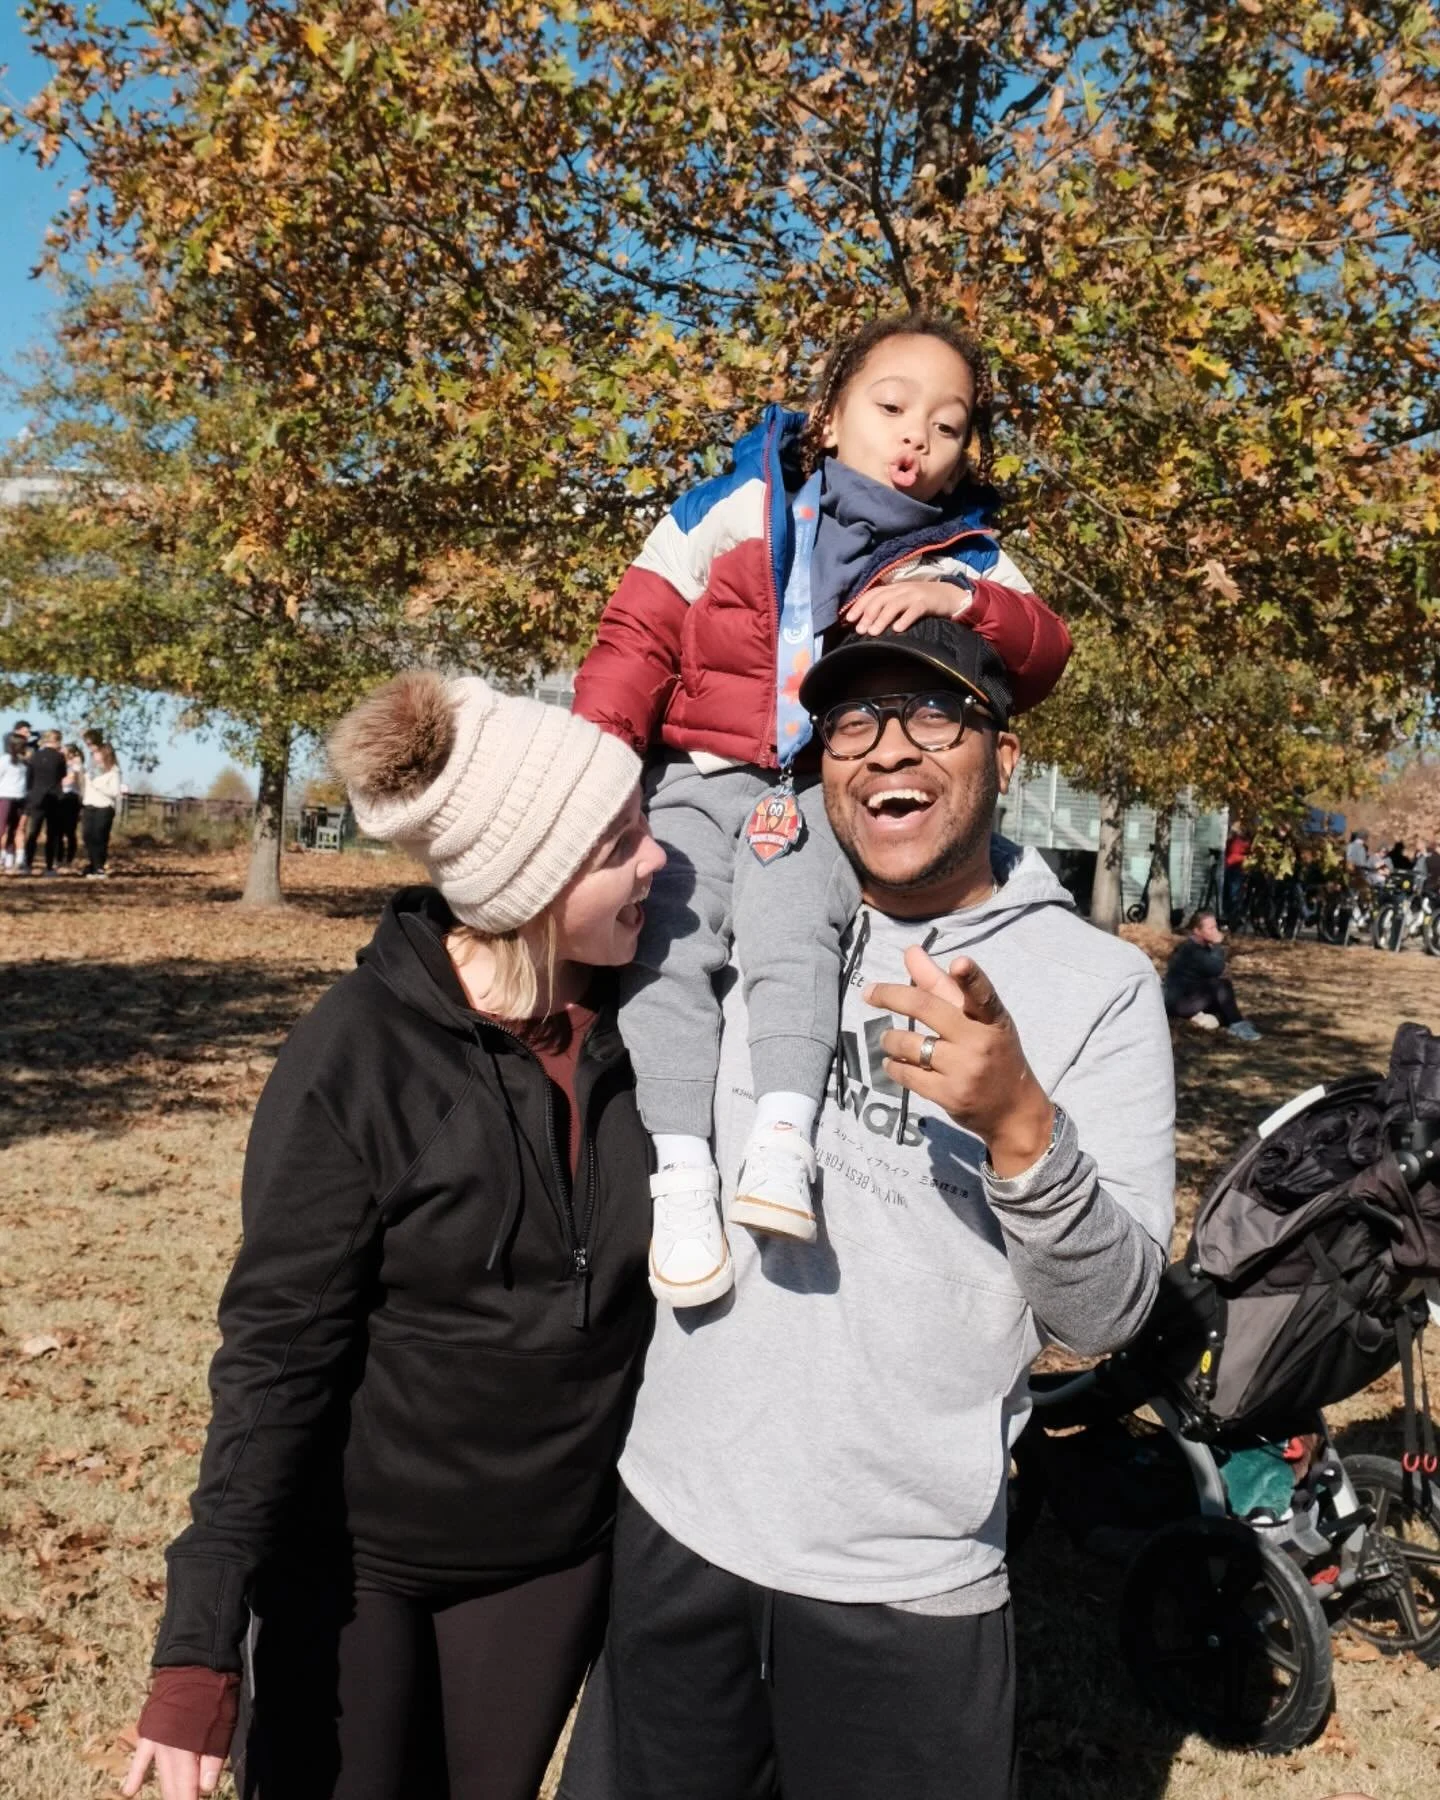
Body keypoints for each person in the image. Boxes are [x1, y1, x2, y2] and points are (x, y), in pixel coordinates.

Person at [559, 616, 1175, 1800]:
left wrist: (1021, 1129)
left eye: (935, 714)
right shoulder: (738, 904)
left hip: (907, 1585)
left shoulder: (1098, 989)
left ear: (1007, 755)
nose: (890, 746)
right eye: (853, 720)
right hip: (680, 1528)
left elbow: (1108, 1314)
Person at [123, 669, 665, 1800]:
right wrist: (200, 1637)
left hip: (551, 1561)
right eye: (620, 846)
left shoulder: (656, 1035)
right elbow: (276, 1348)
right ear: (531, 884)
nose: (656, 860)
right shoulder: (358, 1054)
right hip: (356, 1568)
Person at [575, 312, 1071, 1307]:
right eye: (891, 407)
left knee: (794, 931)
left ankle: (781, 1137)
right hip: (697, 771)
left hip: (814, 785)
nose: (916, 436)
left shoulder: (961, 554)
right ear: (831, 417)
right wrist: (594, 773)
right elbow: (639, 633)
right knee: (668, 941)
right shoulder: (735, 507)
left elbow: (1045, 650)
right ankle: (681, 1169)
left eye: (948, 425)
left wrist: (962, 604)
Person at [1162, 910, 1261, 1042]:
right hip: (1179, 1002)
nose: (1216, 932)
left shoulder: (1197, 947)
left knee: (1222, 999)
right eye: (1211, 928)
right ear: (1197, 931)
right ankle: (1237, 1025)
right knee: (1221, 985)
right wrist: (1217, 945)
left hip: (1191, 995)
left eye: (1216, 927)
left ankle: (1222, 1019)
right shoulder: (1191, 951)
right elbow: (1217, 969)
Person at [20, 728, 66, 876]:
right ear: (56, 741)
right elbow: (62, 775)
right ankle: (49, 867)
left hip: (37, 797)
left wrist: (31, 794)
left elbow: (29, 777)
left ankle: (27, 864)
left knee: (33, 832)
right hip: (54, 797)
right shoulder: (60, 757)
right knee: (52, 834)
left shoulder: (35, 756)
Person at [81, 742, 123, 878]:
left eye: (97, 753)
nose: (94, 756)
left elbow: (115, 792)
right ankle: (92, 864)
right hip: (89, 805)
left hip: (104, 807)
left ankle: (99, 867)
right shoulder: (91, 770)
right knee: (87, 836)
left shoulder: (113, 771)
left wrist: (97, 785)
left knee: (99, 837)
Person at [0, 732, 27, 871]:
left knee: (14, 829)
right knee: (1, 828)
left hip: (20, 797)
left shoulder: (24, 761)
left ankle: (10, 857)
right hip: (5, 797)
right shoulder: (5, 760)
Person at [57, 743, 85, 868]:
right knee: (58, 829)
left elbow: (72, 779)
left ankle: (69, 857)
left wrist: (57, 781)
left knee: (70, 829)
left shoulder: (76, 765)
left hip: (71, 797)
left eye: (64, 750)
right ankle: (59, 856)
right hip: (60, 796)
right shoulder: (60, 763)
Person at [1222, 822, 1251, 923]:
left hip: (1238, 868)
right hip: (1229, 867)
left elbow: (1249, 856)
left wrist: (1243, 860)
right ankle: (1226, 914)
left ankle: (1231, 916)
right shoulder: (1232, 839)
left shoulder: (1247, 842)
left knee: (1233, 893)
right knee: (1226, 892)